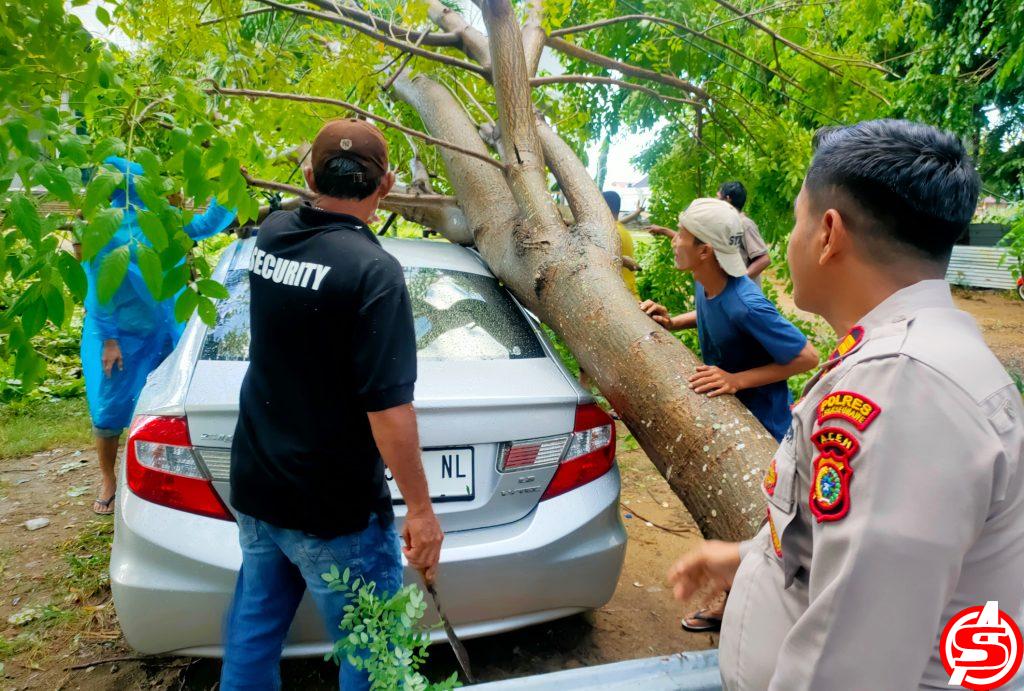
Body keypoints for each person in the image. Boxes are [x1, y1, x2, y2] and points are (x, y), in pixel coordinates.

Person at [668, 119, 1024, 689]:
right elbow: (864, 553)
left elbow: (853, 665)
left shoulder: (903, 390)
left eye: (794, 221)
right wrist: (746, 559)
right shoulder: (907, 357)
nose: (785, 243)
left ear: (828, 233)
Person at [221, 119, 443, 691]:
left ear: (309, 174)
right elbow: (389, 412)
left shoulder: (270, 235)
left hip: (259, 487)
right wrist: (421, 511)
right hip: (332, 511)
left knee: (255, 627)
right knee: (372, 652)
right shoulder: (374, 273)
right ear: (386, 184)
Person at [81, 156, 235, 515]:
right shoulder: (104, 228)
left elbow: (209, 224)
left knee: (160, 408)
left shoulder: (164, 220)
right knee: (109, 410)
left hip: (164, 333)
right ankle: (108, 479)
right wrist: (108, 339)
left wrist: (229, 187)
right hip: (119, 337)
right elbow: (98, 288)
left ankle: (151, 477)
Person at [640, 199, 818, 443]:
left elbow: (808, 357)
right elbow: (715, 313)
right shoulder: (705, 278)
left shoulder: (746, 305)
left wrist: (736, 380)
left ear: (705, 251)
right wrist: (672, 323)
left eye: (681, 234)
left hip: (766, 429)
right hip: (732, 413)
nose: (674, 241)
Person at [717, 181, 770, 285]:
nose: (716, 201)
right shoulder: (726, 225)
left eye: (718, 197)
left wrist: (738, 283)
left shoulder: (745, 224)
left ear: (727, 199)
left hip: (743, 296)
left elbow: (764, 259)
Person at [602, 190, 640, 296]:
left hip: (621, 299)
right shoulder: (619, 229)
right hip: (630, 295)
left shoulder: (608, 233)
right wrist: (636, 213)